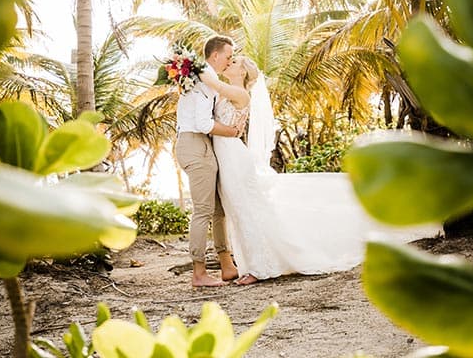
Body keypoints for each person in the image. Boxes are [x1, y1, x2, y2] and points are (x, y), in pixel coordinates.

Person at [200, 56, 441, 285]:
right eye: (229, 60)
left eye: (234, 62)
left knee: (246, 210)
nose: (229, 64)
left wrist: (189, 69)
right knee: (239, 210)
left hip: (234, 158)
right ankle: (253, 264)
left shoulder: (239, 93)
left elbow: (210, 82)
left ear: (242, 71)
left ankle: (260, 267)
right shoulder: (224, 92)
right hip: (226, 156)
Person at [174, 35, 242, 287]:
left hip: (202, 146)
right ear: (215, 56)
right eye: (228, 56)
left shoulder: (206, 83)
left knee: (218, 210)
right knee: (203, 211)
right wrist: (232, 131)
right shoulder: (203, 85)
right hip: (195, 145)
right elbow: (203, 124)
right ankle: (199, 273)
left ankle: (227, 265)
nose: (229, 61)